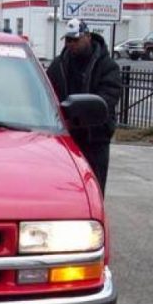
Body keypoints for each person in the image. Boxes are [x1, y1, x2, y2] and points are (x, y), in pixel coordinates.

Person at [46, 18, 121, 194]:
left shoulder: (107, 66)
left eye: (75, 40)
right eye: (68, 40)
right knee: (63, 188)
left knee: (92, 188)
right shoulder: (59, 64)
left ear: (88, 37)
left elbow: (108, 98)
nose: (71, 44)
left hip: (94, 138)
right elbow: (47, 92)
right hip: (65, 137)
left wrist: (83, 114)